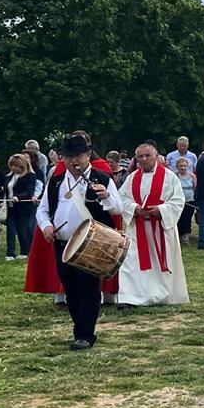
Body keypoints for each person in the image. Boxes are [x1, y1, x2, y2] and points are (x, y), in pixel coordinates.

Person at [36, 134, 125, 348]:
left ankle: (85, 334)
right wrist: (46, 227)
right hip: (64, 243)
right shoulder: (56, 181)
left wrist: (106, 196)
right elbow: (43, 210)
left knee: (89, 288)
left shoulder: (102, 178)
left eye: (78, 156)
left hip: (92, 242)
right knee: (71, 288)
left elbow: (118, 209)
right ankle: (80, 329)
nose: (73, 161)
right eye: (68, 157)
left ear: (87, 156)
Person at [117, 141, 190, 307]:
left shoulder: (169, 177)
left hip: (160, 228)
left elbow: (178, 200)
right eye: (140, 156)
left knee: (159, 263)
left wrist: (162, 210)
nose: (144, 159)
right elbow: (122, 199)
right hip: (138, 227)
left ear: (156, 157)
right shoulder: (132, 178)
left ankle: (160, 295)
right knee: (131, 261)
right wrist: (135, 208)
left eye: (147, 155)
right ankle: (130, 297)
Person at [4, 154, 43, 261]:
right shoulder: (8, 177)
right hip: (11, 208)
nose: (13, 168)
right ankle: (10, 253)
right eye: (11, 165)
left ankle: (24, 251)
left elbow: (29, 191)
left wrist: (18, 197)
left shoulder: (30, 176)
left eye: (16, 166)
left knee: (22, 230)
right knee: (10, 231)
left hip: (24, 208)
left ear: (22, 166)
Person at [174, 156, 197, 245]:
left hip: (190, 200)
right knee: (179, 219)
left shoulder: (192, 176)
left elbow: (195, 188)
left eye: (184, 166)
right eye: (181, 166)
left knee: (187, 219)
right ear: (177, 167)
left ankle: (185, 237)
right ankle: (178, 236)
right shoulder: (175, 176)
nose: (183, 168)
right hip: (179, 202)